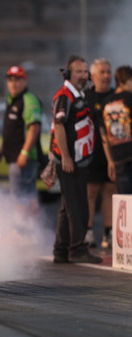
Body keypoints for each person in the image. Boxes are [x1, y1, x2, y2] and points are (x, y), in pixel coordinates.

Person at [50, 55, 102, 264]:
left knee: (68, 207)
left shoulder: (79, 94)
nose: (83, 75)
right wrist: (66, 157)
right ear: (68, 73)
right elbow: (59, 126)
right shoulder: (64, 95)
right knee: (78, 207)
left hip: (79, 160)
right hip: (70, 162)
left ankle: (61, 250)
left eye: (85, 71)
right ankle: (78, 248)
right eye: (79, 71)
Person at [0, 65, 42, 209]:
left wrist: (24, 152)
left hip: (23, 158)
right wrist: (2, 149)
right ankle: (28, 222)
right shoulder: (12, 100)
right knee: (21, 194)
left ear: (24, 81)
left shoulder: (28, 100)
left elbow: (34, 127)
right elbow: (12, 130)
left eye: (17, 80)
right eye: (10, 80)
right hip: (14, 156)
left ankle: (25, 222)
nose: (13, 84)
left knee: (22, 196)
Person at [84, 58, 116, 248]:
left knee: (110, 191)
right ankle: (88, 232)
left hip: (112, 153)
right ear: (93, 76)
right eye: (102, 72)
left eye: (108, 72)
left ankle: (108, 232)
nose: (106, 76)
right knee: (91, 191)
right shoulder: (86, 97)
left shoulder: (116, 96)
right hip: (91, 152)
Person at [101, 65, 132, 194]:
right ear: (126, 80)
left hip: (117, 157)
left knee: (125, 199)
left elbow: (104, 135)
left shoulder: (106, 103)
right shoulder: (130, 97)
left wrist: (110, 160)